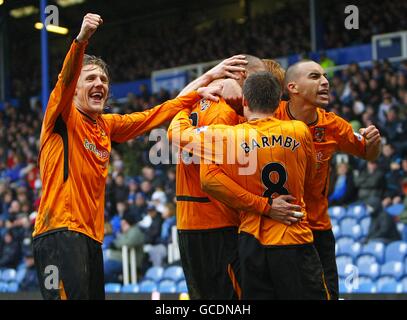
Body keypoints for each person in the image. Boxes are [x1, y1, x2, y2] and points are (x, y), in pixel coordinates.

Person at [32, 13, 213, 300]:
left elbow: (152, 115)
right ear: (75, 89)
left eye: (103, 79)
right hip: (59, 233)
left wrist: (204, 85)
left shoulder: (106, 126)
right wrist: (81, 41)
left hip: (91, 238)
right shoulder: (62, 116)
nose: (99, 84)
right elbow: (65, 79)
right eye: (90, 78)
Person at [169, 72, 329, 299]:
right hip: (294, 235)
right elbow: (311, 176)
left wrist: (184, 106)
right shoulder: (300, 130)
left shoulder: (229, 136)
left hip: (252, 240)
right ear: (278, 102)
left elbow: (177, 136)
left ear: (244, 101)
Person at [272, 60, 382, 299]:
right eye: (314, 76)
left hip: (317, 229)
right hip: (277, 227)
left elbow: (368, 153)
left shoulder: (333, 125)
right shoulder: (270, 117)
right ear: (293, 87)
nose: (325, 81)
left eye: (325, 76)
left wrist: (375, 144)